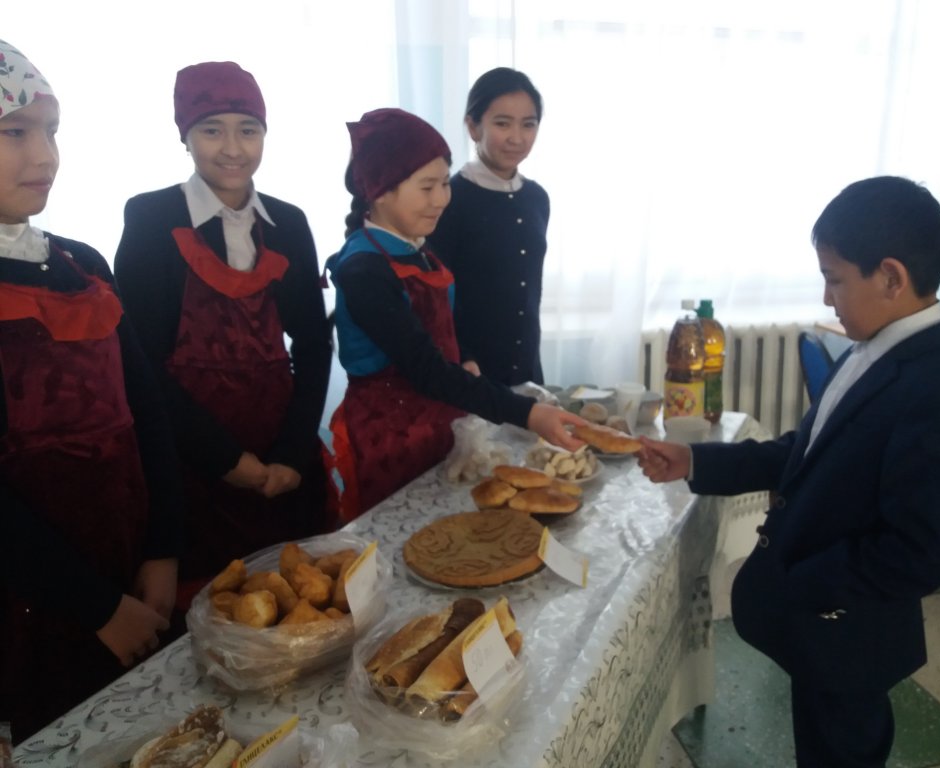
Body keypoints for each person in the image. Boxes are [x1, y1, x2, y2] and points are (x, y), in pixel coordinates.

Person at [638, 176, 940, 768]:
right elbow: (808, 451)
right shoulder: (875, 349)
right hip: (823, 629)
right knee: (822, 739)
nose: (827, 298)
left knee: (843, 746)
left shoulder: (935, 390)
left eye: (835, 279)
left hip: (847, 628)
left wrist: (805, 582)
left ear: (892, 277)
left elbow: (924, 550)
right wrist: (695, 461)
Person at [0, 40, 183, 741]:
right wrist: (98, 607)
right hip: (32, 601)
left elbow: (147, 413)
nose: (44, 156)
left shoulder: (82, 264)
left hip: (131, 572)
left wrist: (163, 548)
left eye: (51, 131)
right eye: (15, 132)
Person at [113, 62, 332, 609]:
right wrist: (226, 460)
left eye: (248, 130)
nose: (233, 148)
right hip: (190, 459)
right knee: (213, 610)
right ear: (184, 135)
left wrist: (291, 455)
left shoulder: (289, 222)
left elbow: (312, 344)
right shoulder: (151, 218)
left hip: (281, 456)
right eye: (212, 129)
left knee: (300, 604)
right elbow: (140, 361)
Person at [325, 108, 583, 520]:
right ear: (379, 192)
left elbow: (445, 321)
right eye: (427, 187)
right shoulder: (364, 270)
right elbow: (425, 367)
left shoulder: (417, 247)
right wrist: (527, 413)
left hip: (438, 424)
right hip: (390, 438)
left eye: (444, 183)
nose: (441, 199)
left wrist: (466, 356)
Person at [428, 68, 549, 385]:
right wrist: (463, 357)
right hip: (469, 371)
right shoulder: (448, 199)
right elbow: (435, 296)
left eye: (528, 124)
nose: (517, 138)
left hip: (527, 370)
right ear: (473, 126)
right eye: (502, 123)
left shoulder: (537, 198)